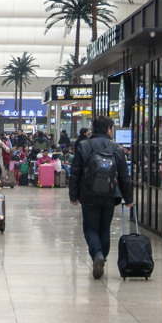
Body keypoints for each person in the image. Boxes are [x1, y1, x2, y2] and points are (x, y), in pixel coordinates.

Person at [69, 116, 133, 279]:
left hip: (88, 194)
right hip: (110, 195)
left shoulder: (84, 145)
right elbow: (125, 177)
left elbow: (75, 172)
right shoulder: (116, 149)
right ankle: (102, 257)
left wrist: (74, 195)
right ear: (109, 130)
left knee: (90, 228)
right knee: (104, 229)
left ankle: (97, 254)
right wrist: (129, 198)